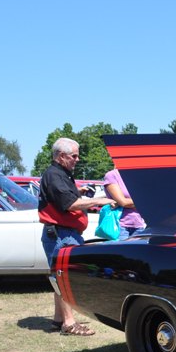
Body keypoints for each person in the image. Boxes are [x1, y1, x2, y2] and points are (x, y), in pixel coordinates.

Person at [38, 137, 113, 335]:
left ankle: (57, 320)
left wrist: (78, 191)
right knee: (65, 279)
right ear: (61, 156)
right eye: (74, 156)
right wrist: (100, 200)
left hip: (63, 234)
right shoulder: (54, 175)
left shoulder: (60, 174)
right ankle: (69, 324)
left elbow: (62, 196)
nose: (77, 159)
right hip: (60, 235)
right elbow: (69, 204)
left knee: (59, 276)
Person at [102, 168, 146, 239]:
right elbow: (123, 202)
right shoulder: (112, 175)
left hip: (139, 225)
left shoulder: (139, 176)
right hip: (119, 226)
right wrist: (143, 201)